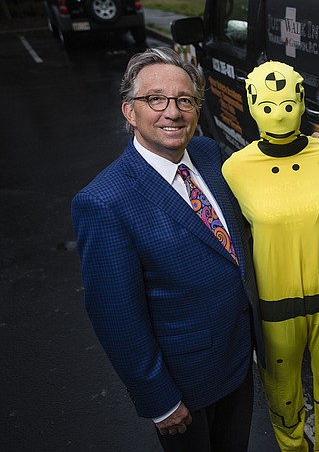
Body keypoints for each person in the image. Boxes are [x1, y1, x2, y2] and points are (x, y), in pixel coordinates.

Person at [71, 47, 264, 452]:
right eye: (155, 99)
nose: (172, 112)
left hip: (237, 360)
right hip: (184, 386)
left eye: (185, 100)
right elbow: (115, 315)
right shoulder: (105, 201)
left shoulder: (210, 155)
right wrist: (160, 400)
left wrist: (315, 149)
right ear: (129, 111)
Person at [222, 61, 319, 452]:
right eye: (266, 104)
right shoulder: (234, 170)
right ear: (251, 104)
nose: (277, 113)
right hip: (273, 308)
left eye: (285, 102)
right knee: (282, 399)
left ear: (302, 101)